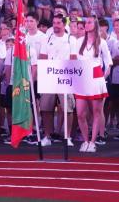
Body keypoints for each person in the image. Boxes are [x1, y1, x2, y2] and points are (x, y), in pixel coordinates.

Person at [39, 14, 77, 147]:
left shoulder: (71, 39)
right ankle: (47, 136)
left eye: (58, 23)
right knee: (46, 108)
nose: (55, 25)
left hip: (65, 77)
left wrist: (65, 72)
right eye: (54, 23)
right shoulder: (47, 38)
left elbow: (73, 59)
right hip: (49, 76)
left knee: (68, 109)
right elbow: (43, 57)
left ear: (64, 24)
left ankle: (67, 137)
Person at [75, 16, 112, 152]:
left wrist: (103, 77)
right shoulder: (78, 41)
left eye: (89, 22)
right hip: (81, 78)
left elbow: (108, 62)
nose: (86, 24)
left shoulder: (101, 42)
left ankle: (92, 141)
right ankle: (85, 140)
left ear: (95, 25)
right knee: (80, 113)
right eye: (86, 22)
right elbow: (73, 60)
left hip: (96, 78)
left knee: (96, 112)